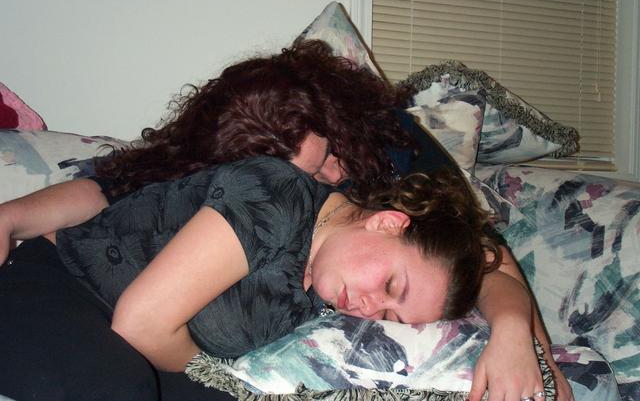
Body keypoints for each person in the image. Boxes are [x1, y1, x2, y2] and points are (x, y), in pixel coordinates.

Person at [0, 39, 571, 401]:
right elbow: (113, 191)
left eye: (322, 160)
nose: (320, 177)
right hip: (69, 291)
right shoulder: (269, 188)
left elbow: (480, 255)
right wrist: (10, 218)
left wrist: (525, 343)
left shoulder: (394, 156)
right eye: (289, 169)